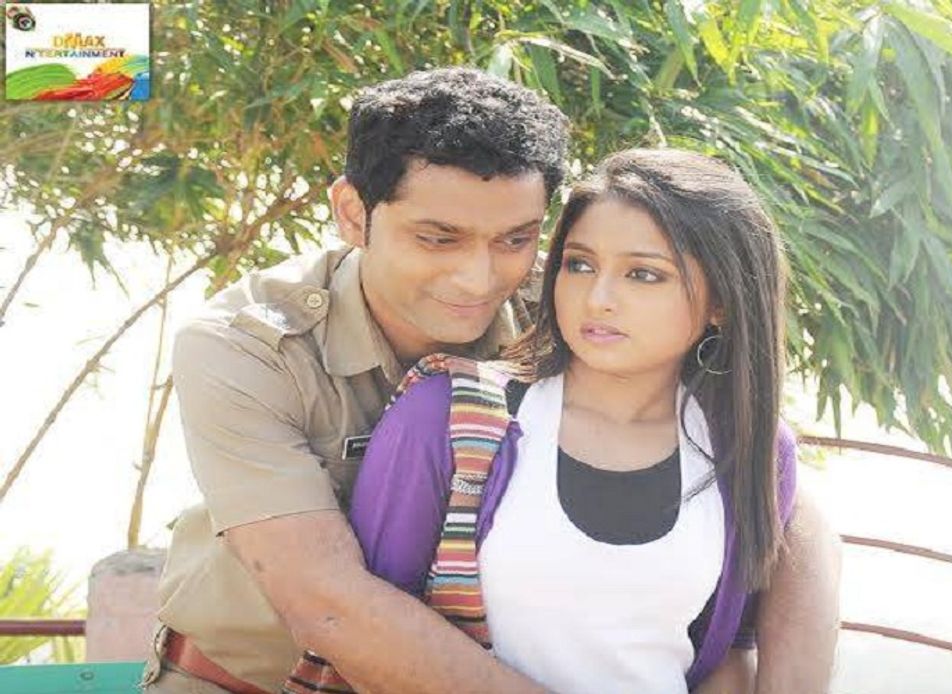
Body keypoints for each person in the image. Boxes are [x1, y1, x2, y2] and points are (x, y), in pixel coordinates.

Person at [143, 68, 840, 694]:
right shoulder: (245, 347)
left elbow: (767, 486)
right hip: (243, 680)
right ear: (354, 213)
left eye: (515, 239)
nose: (479, 279)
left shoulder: (576, 302)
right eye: (438, 238)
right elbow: (330, 605)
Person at [284, 148, 839, 693]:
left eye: (644, 275)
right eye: (579, 264)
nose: (598, 298)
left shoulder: (748, 448)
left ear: (722, 302)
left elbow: (726, 649)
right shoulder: (448, 415)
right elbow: (368, 639)